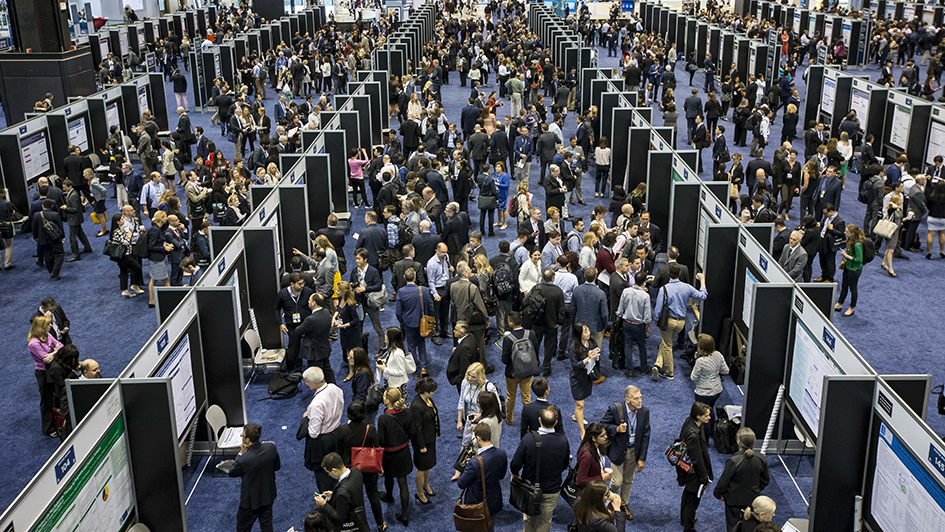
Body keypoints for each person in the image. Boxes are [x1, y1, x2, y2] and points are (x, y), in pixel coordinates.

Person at [509, 406, 571, 532]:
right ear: (556, 422)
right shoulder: (563, 441)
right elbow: (565, 465)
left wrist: (515, 474)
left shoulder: (528, 439)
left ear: (539, 420)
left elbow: (515, 464)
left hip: (529, 487)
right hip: (551, 490)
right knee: (545, 521)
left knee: (528, 518)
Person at [331, 400, 384, 531]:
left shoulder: (342, 430)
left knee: (355, 501)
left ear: (348, 414)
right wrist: (380, 466)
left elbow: (338, 452)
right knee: (373, 495)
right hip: (369, 467)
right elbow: (376, 447)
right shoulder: (370, 428)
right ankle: (380, 524)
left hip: (350, 470)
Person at [377, 387, 425, 527]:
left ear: (388, 400)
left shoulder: (383, 418)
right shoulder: (407, 412)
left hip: (389, 455)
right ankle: (404, 514)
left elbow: (381, 441)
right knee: (403, 483)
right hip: (403, 453)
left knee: (388, 477)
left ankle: (389, 496)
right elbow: (412, 432)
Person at [601, 385, 650, 515]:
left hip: (634, 451)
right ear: (627, 400)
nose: (640, 401)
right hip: (617, 450)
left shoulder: (644, 412)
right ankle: (610, 501)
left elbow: (646, 435)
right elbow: (603, 425)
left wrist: (642, 458)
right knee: (617, 482)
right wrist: (616, 429)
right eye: (636, 399)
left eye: (640, 397)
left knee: (628, 480)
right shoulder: (615, 409)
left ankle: (623, 504)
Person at [653, 266, 707, 380]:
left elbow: (658, 309)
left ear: (668, 273)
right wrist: (702, 281)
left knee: (667, 345)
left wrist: (656, 320)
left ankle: (669, 372)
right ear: (680, 273)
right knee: (665, 342)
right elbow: (703, 296)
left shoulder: (664, 289)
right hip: (681, 323)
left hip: (668, 321)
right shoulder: (687, 287)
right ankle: (657, 364)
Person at [714, 428, 771, 531]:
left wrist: (718, 494)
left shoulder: (733, 461)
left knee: (733, 527)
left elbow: (723, 483)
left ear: (738, 441)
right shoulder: (761, 459)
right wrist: (756, 490)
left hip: (733, 501)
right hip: (752, 500)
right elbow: (765, 480)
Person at [228, 423, 281, 532]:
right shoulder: (270, 447)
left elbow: (232, 472)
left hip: (250, 503)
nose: (242, 438)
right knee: (267, 527)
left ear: (247, 440)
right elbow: (277, 466)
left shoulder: (244, 459)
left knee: (242, 529)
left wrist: (241, 454)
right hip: (267, 496)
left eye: (243, 436)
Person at [457, 423, 508, 529]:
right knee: (489, 526)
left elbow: (461, 483)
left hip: (477, 503)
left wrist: (467, 467)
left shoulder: (474, 463)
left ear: (478, 438)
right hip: (494, 500)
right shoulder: (502, 454)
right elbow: (501, 475)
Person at [302, 366, 344, 493]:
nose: (306, 383)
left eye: (307, 381)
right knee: (336, 468)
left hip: (322, 442)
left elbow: (313, 433)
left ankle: (327, 505)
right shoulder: (335, 388)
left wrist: (307, 418)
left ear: (314, 382)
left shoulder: (316, 404)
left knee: (323, 476)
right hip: (337, 433)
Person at [678, 402, 714, 532]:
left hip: (687, 470)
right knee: (692, 501)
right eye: (707, 415)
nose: (709, 418)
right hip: (694, 474)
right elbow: (697, 459)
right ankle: (689, 527)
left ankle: (684, 519)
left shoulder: (690, 422)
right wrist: (704, 478)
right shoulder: (693, 436)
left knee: (687, 495)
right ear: (698, 416)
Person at [314, 452, 370, 532]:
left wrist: (324, 505)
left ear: (334, 470)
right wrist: (334, 494)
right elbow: (351, 492)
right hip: (361, 518)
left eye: (328, 472)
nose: (329, 475)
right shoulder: (356, 471)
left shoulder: (342, 492)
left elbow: (339, 518)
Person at [525, 269, 566, 376]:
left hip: (537, 322)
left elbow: (525, 301)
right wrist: (560, 323)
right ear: (553, 278)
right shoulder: (558, 291)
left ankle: (535, 366)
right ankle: (546, 368)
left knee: (535, 345)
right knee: (549, 346)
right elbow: (561, 310)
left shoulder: (536, 288)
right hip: (552, 324)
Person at [690, 334, 730, 441]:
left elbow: (693, 377)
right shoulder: (718, 355)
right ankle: (713, 431)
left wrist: (695, 367)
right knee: (710, 410)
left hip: (703, 393)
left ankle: (705, 440)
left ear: (702, 348)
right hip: (717, 391)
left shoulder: (700, 361)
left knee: (704, 417)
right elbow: (726, 371)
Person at [28, 315, 62, 438]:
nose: (51, 326)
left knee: (59, 394)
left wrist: (53, 353)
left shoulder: (47, 335)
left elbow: (60, 345)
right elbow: (46, 359)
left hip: (52, 369)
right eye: (48, 324)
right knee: (47, 401)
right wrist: (55, 351)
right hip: (43, 373)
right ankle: (48, 428)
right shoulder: (33, 343)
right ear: (41, 327)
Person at [616, 271, 652, 379]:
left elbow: (620, 308)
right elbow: (647, 315)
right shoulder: (645, 296)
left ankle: (630, 371)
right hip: (639, 325)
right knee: (642, 346)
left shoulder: (626, 291)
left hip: (627, 323)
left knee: (627, 345)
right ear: (644, 283)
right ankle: (644, 368)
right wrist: (648, 326)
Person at [275, 273, 314, 371]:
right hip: (292, 326)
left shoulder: (308, 292)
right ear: (292, 284)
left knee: (311, 346)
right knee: (294, 347)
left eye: (303, 283)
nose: (302, 286)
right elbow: (276, 308)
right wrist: (280, 323)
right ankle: (298, 369)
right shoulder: (282, 294)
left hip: (307, 324)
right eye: (299, 284)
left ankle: (312, 367)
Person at [410, 377, 439, 504]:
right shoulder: (416, 406)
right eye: (433, 391)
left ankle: (426, 485)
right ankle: (420, 493)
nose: (434, 393)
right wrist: (421, 445)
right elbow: (417, 428)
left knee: (428, 465)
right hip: (421, 442)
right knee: (421, 468)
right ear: (426, 392)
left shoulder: (427, 399)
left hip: (430, 438)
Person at [570, 322, 601, 438]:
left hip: (587, 376)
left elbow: (597, 355)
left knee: (581, 401)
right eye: (585, 331)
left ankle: (576, 415)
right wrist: (587, 358)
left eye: (588, 330)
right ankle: (582, 431)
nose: (588, 333)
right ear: (579, 334)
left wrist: (596, 357)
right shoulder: (573, 347)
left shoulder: (591, 342)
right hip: (577, 378)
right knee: (580, 404)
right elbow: (575, 365)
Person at [351, 248, 386, 351]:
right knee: (358, 327)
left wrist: (365, 289)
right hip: (359, 303)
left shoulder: (373, 271)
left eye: (359, 259)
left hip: (371, 303)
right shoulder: (354, 271)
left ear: (365, 259)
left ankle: (382, 347)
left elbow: (378, 286)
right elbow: (351, 282)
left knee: (377, 327)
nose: (357, 261)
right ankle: (359, 348)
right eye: (356, 259)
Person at [297, 293, 334, 382]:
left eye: (309, 300)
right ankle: (333, 387)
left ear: (313, 303)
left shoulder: (310, 319)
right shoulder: (326, 312)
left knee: (316, 376)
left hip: (314, 352)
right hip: (324, 348)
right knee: (327, 370)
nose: (308, 302)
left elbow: (298, 331)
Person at [46, 343, 79, 438]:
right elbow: (61, 384)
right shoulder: (55, 368)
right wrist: (73, 373)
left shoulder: (61, 361)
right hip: (63, 394)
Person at [332, 282, 361, 381]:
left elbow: (355, 321)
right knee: (345, 349)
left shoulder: (350, 304)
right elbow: (339, 308)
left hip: (352, 332)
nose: (336, 292)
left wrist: (342, 325)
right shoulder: (341, 299)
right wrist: (334, 317)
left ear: (344, 292)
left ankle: (351, 371)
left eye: (338, 290)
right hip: (344, 330)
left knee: (351, 353)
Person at [375, 327, 415, 397]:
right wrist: (384, 361)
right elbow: (391, 359)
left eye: (386, 335)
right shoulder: (392, 348)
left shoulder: (398, 353)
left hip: (397, 386)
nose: (385, 336)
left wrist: (385, 369)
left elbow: (401, 372)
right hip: (391, 382)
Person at [836, 224, 865, 317]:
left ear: (852, 233)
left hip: (854, 270)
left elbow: (859, 260)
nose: (844, 232)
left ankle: (851, 308)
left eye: (847, 231)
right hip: (848, 267)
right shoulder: (850, 240)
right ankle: (840, 303)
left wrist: (846, 256)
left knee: (853, 288)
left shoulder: (857, 245)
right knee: (844, 286)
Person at [32, 199, 65, 280]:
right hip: (55, 238)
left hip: (43, 239)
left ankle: (51, 272)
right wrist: (62, 237)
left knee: (47, 256)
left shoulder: (36, 215)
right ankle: (55, 271)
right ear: (52, 206)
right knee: (60, 254)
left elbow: (34, 228)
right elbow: (60, 227)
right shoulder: (55, 215)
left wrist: (35, 237)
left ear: (42, 206)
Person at [61, 180, 92, 262]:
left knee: (72, 238)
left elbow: (74, 209)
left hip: (74, 219)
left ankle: (75, 254)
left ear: (70, 186)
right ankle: (87, 247)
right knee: (80, 233)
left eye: (65, 187)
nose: (64, 189)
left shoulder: (73, 195)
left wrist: (65, 208)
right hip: (76, 218)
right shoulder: (73, 193)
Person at [575, 422, 610, 487]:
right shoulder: (587, 456)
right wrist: (601, 477)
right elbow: (580, 481)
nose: (606, 437)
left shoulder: (598, 446)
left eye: (605, 434)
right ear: (593, 438)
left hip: (595, 485)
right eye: (602, 436)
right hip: (589, 491)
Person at [881, 194, 904, 277]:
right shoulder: (892, 209)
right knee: (891, 250)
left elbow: (901, 220)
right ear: (896, 201)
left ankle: (884, 262)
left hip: (897, 231)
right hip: (891, 231)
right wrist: (892, 204)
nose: (902, 201)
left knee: (889, 248)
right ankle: (890, 268)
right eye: (900, 200)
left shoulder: (899, 209)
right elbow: (892, 208)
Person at [927, 182, 945, 259]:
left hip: (932, 217)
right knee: (942, 234)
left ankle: (929, 252)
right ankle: (942, 251)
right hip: (943, 218)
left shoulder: (931, 196)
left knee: (930, 234)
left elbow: (928, 206)